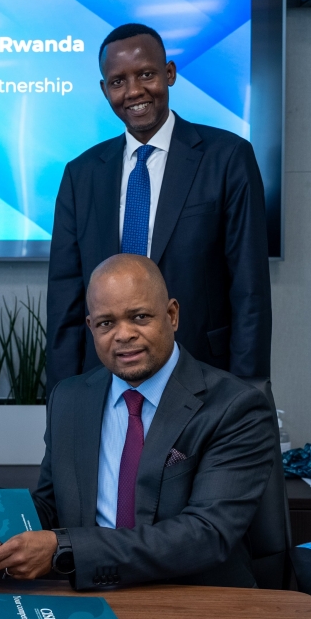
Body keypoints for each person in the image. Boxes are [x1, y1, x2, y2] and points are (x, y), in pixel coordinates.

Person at [0, 255, 276, 589]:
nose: (123, 335)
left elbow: (206, 535)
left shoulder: (234, 406)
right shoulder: (70, 399)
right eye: (106, 323)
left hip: (191, 597)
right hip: (88, 594)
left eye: (139, 317)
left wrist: (66, 548)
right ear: (91, 327)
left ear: (172, 315)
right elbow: (49, 509)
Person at [46, 23, 272, 391]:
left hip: (203, 370)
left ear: (169, 74)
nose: (133, 91)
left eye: (146, 74)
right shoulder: (81, 175)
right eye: (118, 81)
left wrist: (247, 389)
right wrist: (62, 398)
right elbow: (64, 301)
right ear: (105, 90)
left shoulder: (227, 158)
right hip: (105, 378)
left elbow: (250, 290)